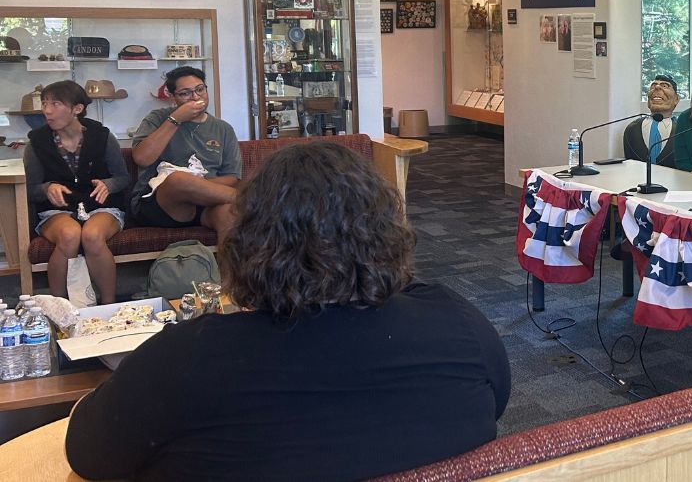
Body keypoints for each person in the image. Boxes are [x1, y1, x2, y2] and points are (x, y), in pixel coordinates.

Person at [65, 141, 511, 482]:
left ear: (247, 241)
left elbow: (88, 452)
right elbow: (496, 405)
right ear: (389, 229)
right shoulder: (457, 325)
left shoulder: (188, 357)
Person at [22, 80, 128, 304]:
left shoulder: (102, 136)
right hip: (57, 211)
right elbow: (30, 190)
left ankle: (108, 307)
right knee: (70, 236)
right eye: (44, 103)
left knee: (92, 235)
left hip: (101, 206)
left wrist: (108, 185)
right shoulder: (37, 143)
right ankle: (59, 309)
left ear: (77, 109)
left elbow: (123, 178)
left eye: (56, 103)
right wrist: (47, 188)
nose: (47, 110)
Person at [129, 66, 239, 241]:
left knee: (228, 215)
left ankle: (227, 268)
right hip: (159, 202)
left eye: (200, 89)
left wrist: (196, 187)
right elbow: (141, 158)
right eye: (185, 93)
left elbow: (232, 177)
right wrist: (176, 119)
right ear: (173, 97)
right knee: (178, 179)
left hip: (205, 204)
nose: (196, 97)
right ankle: (255, 201)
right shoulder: (157, 118)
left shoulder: (223, 129)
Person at [623, 73, 681, 167]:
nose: (657, 87)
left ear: (676, 99)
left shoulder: (683, 129)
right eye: (653, 86)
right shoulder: (632, 129)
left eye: (665, 86)